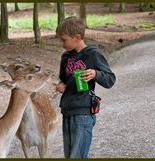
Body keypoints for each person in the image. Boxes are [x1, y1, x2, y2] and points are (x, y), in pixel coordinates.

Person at [56, 16, 116, 158]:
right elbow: (63, 80)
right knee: (72, 155)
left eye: (64, 40)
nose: (61, 43)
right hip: (67, 111)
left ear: (77, 37)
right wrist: (61, 85)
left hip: (83, 113)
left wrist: (95, 74)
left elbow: (110, 79)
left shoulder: (93, 54)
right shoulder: (65, 57)